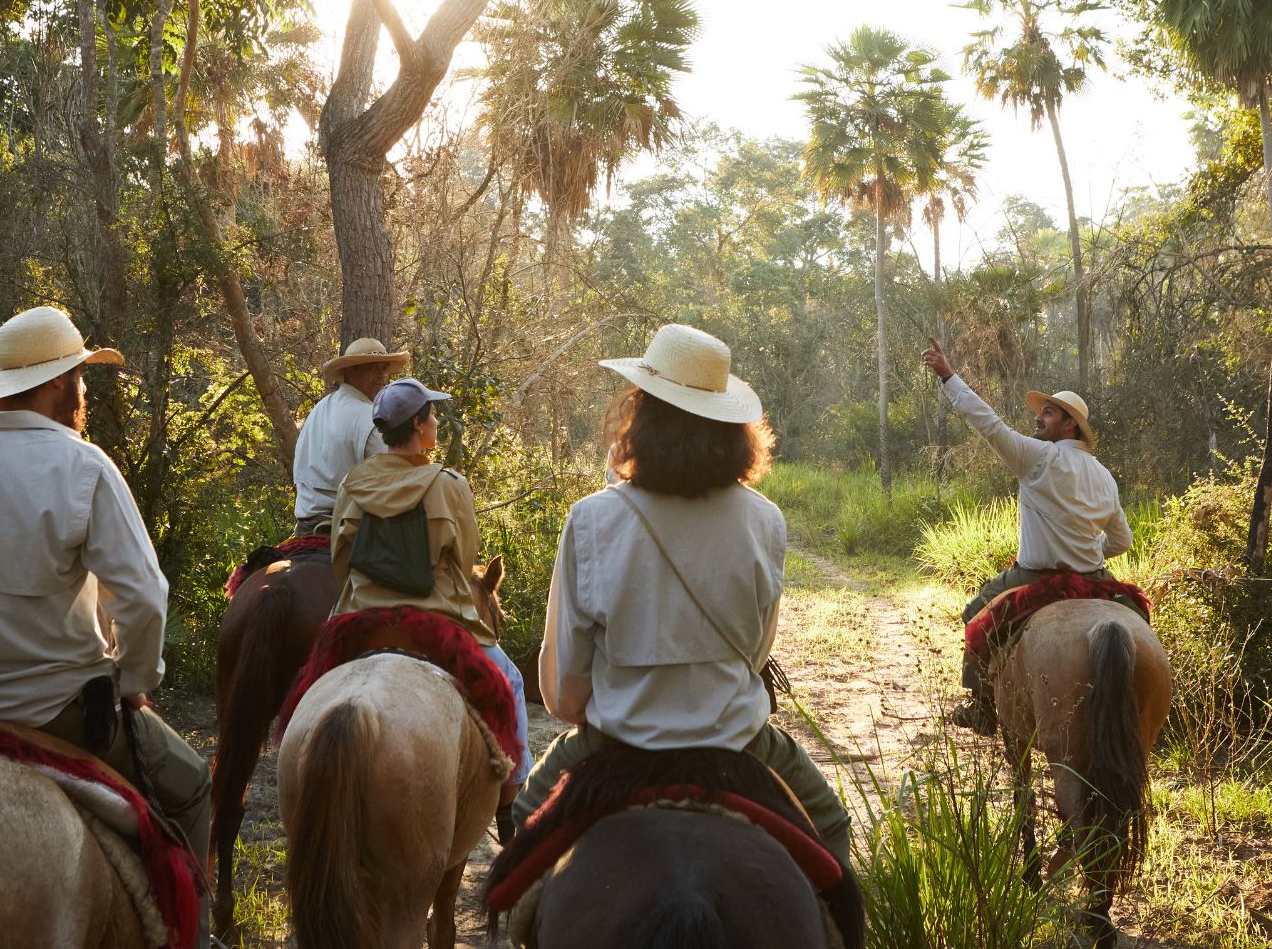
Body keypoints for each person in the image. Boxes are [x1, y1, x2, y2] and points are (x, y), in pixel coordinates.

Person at [0, 305, 212, 865]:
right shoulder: (84, 466)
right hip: (60, 712)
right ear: (58, 383)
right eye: (79, 377)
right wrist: (134, 682)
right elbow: (144, 597)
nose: (84, 392)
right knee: (192, 786)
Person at [518, 323, 852, 866]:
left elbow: (564, 691)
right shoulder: (765, 520)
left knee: (525, 817)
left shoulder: (592, 519)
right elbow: (757, 654)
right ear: (729, 427)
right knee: (832, 830)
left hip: (616, 745)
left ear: (641, 415)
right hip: (735, 744)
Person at [329, 376, 533, 805]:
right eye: (434, 415)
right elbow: (463, 560)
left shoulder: (352, 483)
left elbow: (340, 561)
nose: (437, 422)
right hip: (435, 622)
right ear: (420, 426)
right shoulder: (449, 484)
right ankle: (512, 793)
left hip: (362, 619)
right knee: (510, 681)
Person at [921, 337, 1131, 735]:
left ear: (1070, 423)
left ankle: (981, 708)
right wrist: (1088, 552)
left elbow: (988, 424)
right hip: (1094, 579)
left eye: (1048, 413)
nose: (1039, 418)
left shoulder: (1038, 457)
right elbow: (1122, 541)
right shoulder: (1104, 476)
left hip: (1035, 577)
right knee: (1138, 621)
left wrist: (948, 376)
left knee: (974, 615)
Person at [292, 337, 409, 535]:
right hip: (347, 530)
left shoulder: (320, 407)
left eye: (385, 367)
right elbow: (392, 487)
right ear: (350, 372)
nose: (382, 375)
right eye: (372, 368)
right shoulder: (371, 419)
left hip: (305, 525)